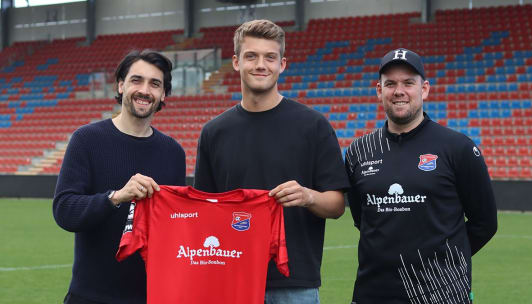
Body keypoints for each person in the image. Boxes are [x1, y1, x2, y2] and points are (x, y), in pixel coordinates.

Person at [194, 19, 350, 304]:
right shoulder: (214, 132)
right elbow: (205, 211)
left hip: (295, 283)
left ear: (283, 64)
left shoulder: (313, 126)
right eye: (251, 56)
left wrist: (307, 196)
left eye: (270, 57)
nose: (260, 65)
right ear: (236, 62)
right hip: (232, 277)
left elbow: (337, 205)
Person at [345, 48, 498, 304]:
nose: (399, 91)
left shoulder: (457, 148)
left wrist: (444, 262)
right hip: (372, 294)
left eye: (408, 83)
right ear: (379, 90)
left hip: (441, 295)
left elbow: (485, 223)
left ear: (424, 89)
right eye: (390, 83)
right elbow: (364, 220)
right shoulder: (358, 152)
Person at [53, 49, 186, 304]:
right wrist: (116, 197)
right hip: (90, 296)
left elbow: (176, 226)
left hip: (151, 296)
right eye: (137, 80)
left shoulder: (174, 153)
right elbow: (64, 210)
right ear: (121, 85)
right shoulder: (87, 140)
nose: (145, 90)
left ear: (163, 95)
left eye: (155, 84)